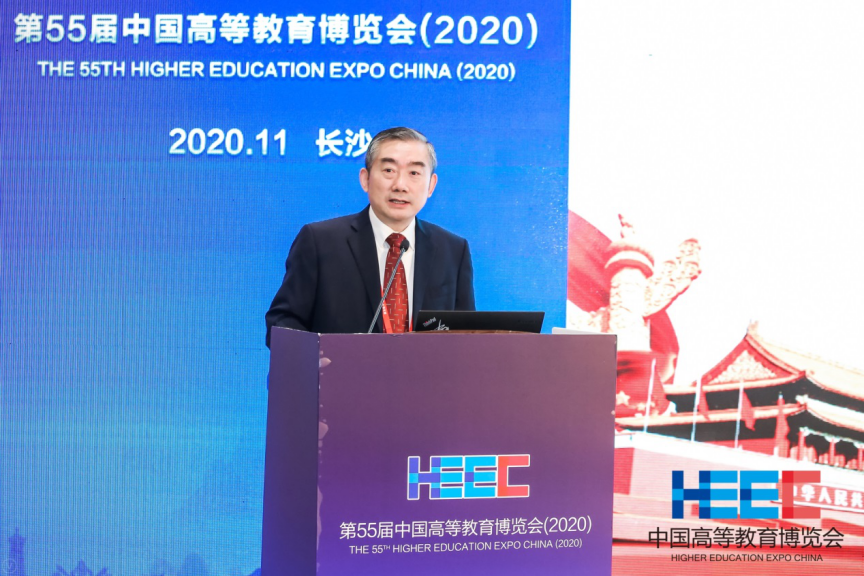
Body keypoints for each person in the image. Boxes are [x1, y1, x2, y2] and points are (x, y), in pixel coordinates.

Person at [265, 127, 475, 345]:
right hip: (340, 367)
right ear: (365, 179)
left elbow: (467, 337)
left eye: (414, 173)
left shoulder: (453, 250)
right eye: (389, 170)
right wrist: (316, 358)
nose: (400, 185)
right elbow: (283, 321)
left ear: (431, 185)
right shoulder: (320, 242)